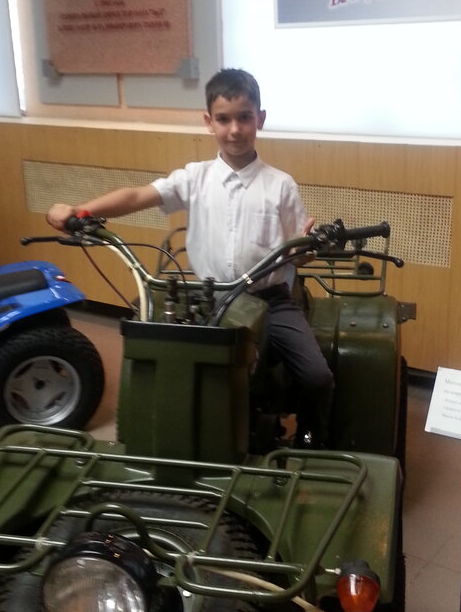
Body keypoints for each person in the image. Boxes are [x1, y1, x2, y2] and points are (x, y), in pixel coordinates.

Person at [46, 67, 334, 446]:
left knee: (316, 375)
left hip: (270, 301)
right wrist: (79, 211)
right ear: (208, 122)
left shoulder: (280, 185)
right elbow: (137, 196)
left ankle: (311, 437)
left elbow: (297, 255)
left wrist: (302, 253)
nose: (235, 129)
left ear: (260, 119)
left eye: (245, 117)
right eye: (224, 119)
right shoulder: (194, 178)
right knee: (197, 370)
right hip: (211, 300)